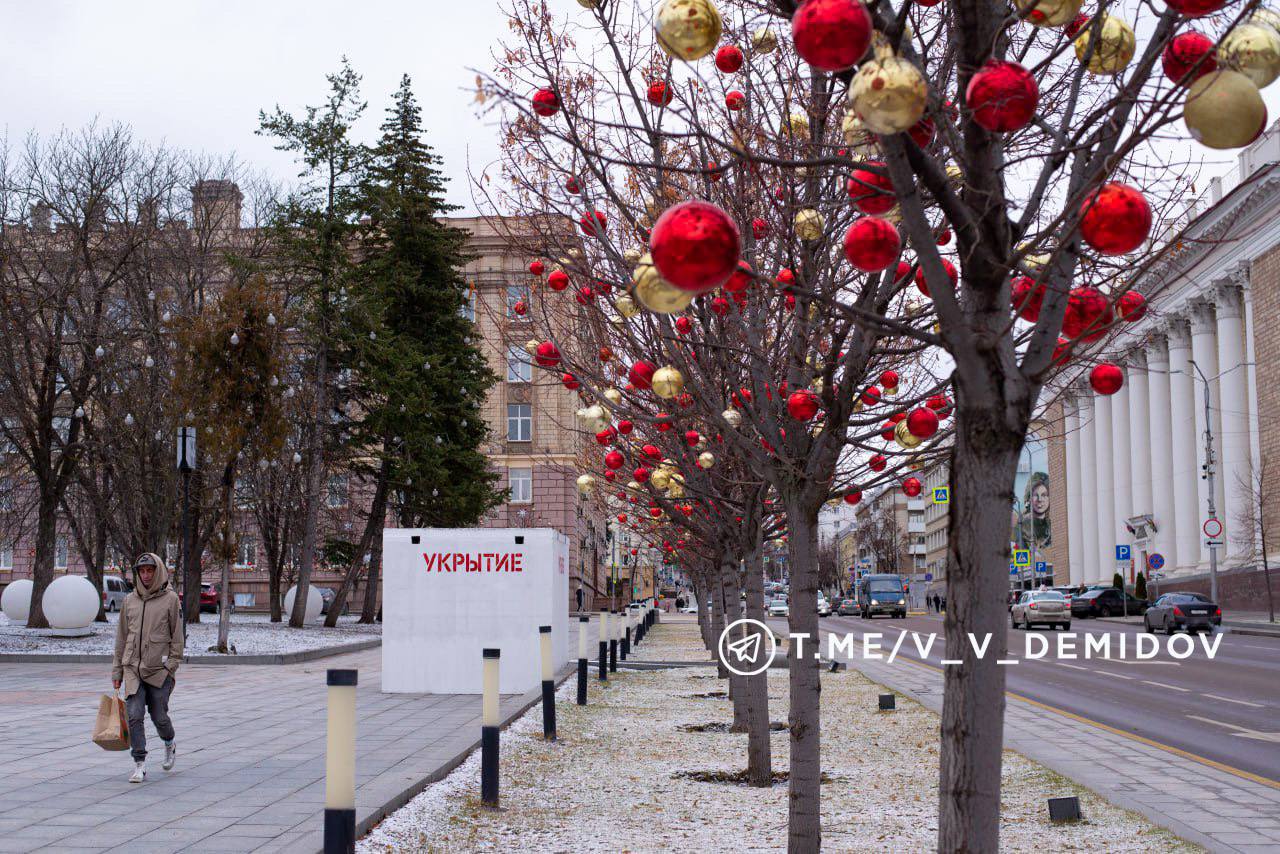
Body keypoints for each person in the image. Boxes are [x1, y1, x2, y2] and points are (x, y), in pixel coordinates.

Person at [111, 553, 184, 783]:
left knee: (159, 716)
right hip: (132, 668)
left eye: (150, 571)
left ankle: (169, 742)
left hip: (158, 670)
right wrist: (117, 671)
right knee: (134, 715)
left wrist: (170, 667)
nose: (145, 575)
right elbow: (121, 638)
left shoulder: (170, 599)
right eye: (142, 571)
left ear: (157, 571)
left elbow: (177, 637)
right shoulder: (129, 601)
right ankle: (139, 763)